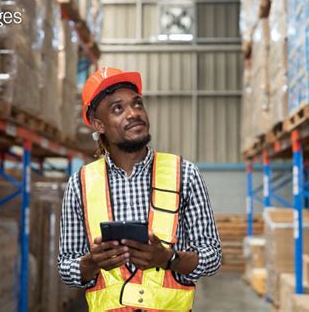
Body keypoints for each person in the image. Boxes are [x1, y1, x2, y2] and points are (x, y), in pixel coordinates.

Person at [58, 67, 221, 311]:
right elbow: (66, 268)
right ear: (98, 124)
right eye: (118, 108)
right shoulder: (80, 184)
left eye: (137, 104)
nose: (133, 113)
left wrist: (169, 259)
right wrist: (93, 262)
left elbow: (212, 257)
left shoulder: (184, 174)